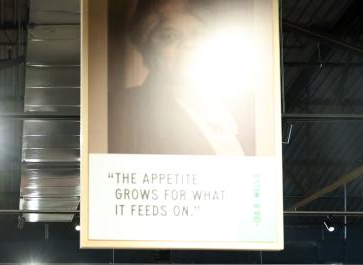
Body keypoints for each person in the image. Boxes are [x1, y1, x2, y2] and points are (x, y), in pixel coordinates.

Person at [108, 0, 254, 156]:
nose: (189, 44)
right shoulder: (117, 112)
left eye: (200, 35)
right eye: (169, 36)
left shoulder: (241, 108)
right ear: (146, 45)